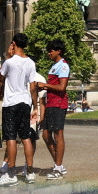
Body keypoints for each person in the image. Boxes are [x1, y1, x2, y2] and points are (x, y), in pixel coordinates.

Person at [0, 33, 39, 186]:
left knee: (10, 137)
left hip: (11, 103)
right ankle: (30, 172)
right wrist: (35, 107)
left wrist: (7, 57)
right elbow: (33, 87)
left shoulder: (9, 62)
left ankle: (10, 173)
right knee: (26, 136)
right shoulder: (31, 63)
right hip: (25, 102)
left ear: (14, 44)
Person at [40, 40, 70, 179]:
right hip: (50, 103)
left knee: (58, 135)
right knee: (46, 136)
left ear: (58, 51)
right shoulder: (54, 66)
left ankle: (57, 168)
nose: (49, 53)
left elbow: (62, 87)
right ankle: (59, 164)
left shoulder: (63, 66)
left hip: (58, 104)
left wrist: (45, 85)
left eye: (51, 50)